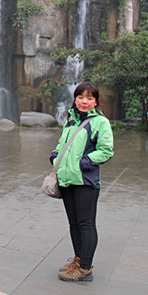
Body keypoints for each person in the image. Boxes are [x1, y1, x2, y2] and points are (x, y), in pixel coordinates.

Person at [49, 82, 114, 282]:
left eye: (89, 98)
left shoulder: (100, 122)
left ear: (95, 101)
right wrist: (55, 156)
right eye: (80, 97)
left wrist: (83, 164)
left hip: (85, 181)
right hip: (67, 180)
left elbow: (106, 150)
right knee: (74, 224)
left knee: (86, 224)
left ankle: (85, 268)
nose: (84, 102)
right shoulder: (72, 120)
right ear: (75, 99)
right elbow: (63, 143)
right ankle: (78, 260)